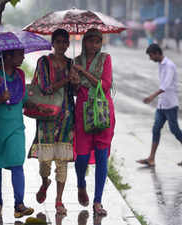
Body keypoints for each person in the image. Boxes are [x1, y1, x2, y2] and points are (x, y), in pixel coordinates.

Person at [0, 49, 47, 219]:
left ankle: (19, 205)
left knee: (17, 162)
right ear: (7, 57)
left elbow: (21, 98)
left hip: (15, 127)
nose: (23, 57)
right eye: (20, 54)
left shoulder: (20, 75)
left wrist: (36, 106)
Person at [27, 29, 75, 215]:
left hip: (67, 117)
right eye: (58, 41)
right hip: (46, 116)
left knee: (62, 160)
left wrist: (76, 81)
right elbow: (46, 88)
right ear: (52, 43)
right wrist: (66, 80)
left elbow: (75, 91)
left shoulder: (72, 64)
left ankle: (59, 200)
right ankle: (45, 181)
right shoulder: (44, 62)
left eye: (65, 42)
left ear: (68, 44)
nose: (62, 45)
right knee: (45, 161)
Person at [71, 28, 115, 216]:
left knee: (101, 157)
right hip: (82, 114)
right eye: (91, 41)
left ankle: (97, 201)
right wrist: (74, 80)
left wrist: (83, 73)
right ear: (84, 42)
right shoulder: (75, 61)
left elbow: (104, 85)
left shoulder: (106, 59)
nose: (94, 45)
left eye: (98, 42)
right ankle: (81, 183)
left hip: (102, 113)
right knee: (80, 158)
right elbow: (73, 91)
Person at [136, 43, 182, 167]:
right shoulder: (161, 65)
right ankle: (151, 158)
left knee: (175, 130)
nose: (150, 58)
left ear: (157, 53)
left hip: (171, 104)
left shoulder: (169, 66)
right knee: (156, 129)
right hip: (162, 105)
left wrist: (152, 96)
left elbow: (166, 85)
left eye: (151, 56)